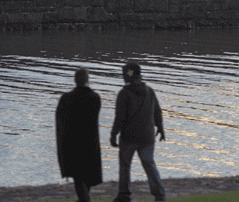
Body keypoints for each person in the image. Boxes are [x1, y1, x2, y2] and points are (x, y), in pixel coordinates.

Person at [110, 61, 166, 202]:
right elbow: (157, 111)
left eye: (125, 73)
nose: (123, 76)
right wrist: (160, 128)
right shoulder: (150, 91)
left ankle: (124, 195)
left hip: (129, 137)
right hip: (147, 137)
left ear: (129, 75)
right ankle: (159, 194)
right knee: (149, 164)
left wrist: (113, 134)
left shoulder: (124, 94)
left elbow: (120, 118)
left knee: (125, 166)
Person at [56, 68, 103, 202]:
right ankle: (84, 198)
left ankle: (84, 199)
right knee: (87, 174)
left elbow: (60, 121)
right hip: (90, 142)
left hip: (73, 142)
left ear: (75, 80)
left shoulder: (66, 99)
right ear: (87, 80)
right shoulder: (95, 98)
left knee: (78, 175)